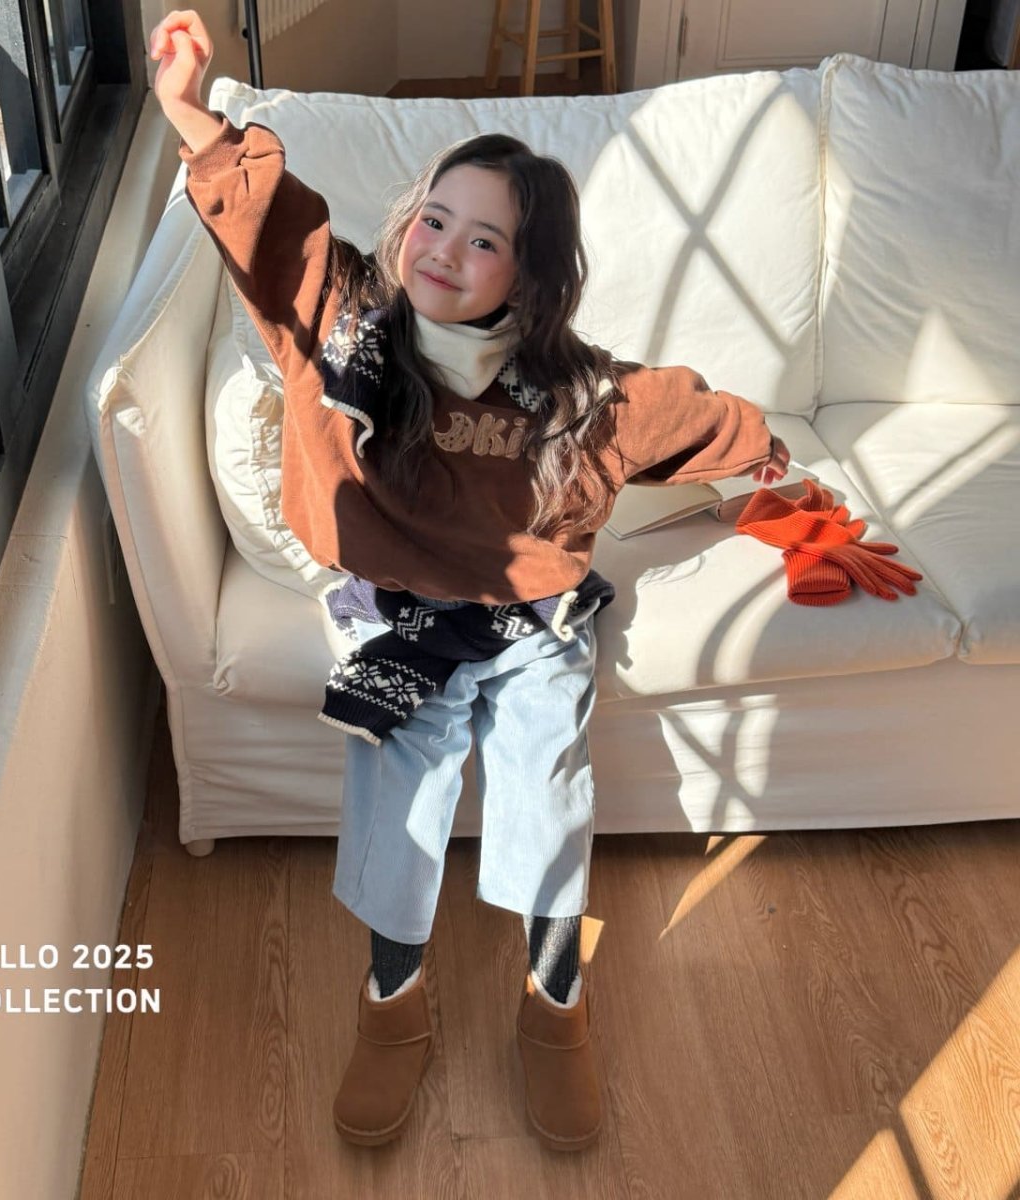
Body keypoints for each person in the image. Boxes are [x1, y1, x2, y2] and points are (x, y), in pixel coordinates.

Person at [149, 9, 790, 1153]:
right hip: (396, 618)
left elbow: (680, 413)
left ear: (528, 278)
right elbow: (272, 227)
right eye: (435, 220)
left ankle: (556, 1006)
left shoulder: (575, 395)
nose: (444, 250)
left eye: (482, 240)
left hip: (533, 621)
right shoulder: (345, 327)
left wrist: (766, 452)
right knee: (397, 798)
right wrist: (193, 112)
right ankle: (392, 1003)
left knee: (547, 787)